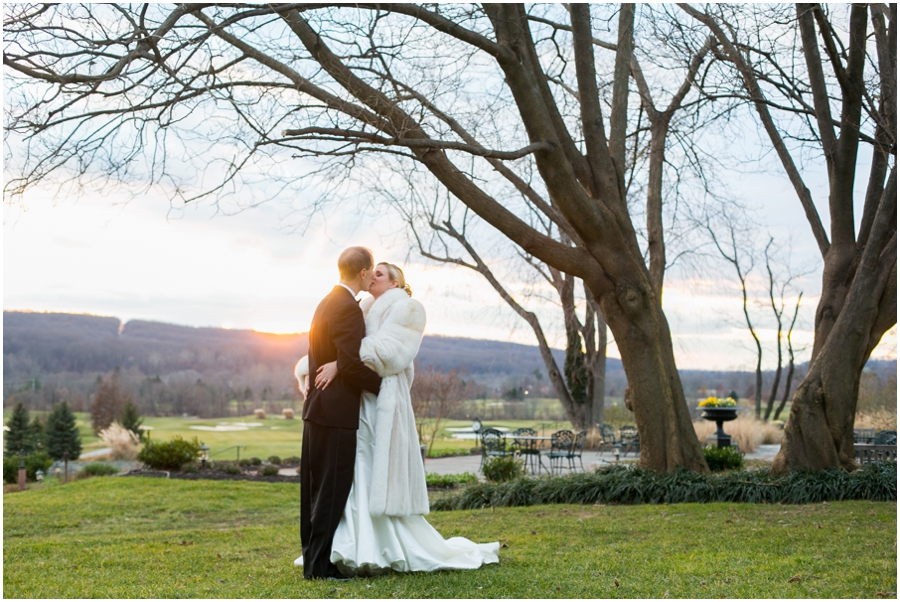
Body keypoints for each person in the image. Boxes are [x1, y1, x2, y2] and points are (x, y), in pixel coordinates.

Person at [295, 262, 499, 575]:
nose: (372, 275)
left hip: (383, 399)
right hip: (355, 398)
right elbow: (338, 339)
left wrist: (341, 361)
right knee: (353, 471)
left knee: (372, 464)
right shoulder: (361, 308)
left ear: (394, 283)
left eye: (380, 273)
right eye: (371, 271)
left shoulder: (408, 309)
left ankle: (384, 546)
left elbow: (390, 352)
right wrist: (315, 365)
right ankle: (347, 545)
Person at [299, 247, 383, 580]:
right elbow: (350, 362)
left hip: (317, 408)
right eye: (371, 271)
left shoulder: (326, 302)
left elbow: (321, 353)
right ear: (363, 273)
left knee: (315, 492)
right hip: (336, 412)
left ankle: (314, 561)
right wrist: (384, 384)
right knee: (332, 491)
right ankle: (319, 568)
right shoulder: (348, 307)